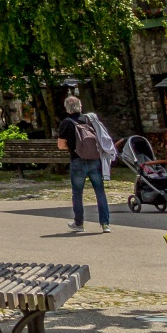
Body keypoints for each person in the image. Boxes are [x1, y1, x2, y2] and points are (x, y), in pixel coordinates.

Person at [57, 95, 113, 233]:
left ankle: (79, 223)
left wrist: (72, 147)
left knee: (77, 193)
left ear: (67, 108)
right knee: (100, 192)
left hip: (77, 160)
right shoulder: (89, 120)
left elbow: (60, 145)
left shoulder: (66, 123)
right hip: (94, 159)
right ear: (80, 106)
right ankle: (105, 224)